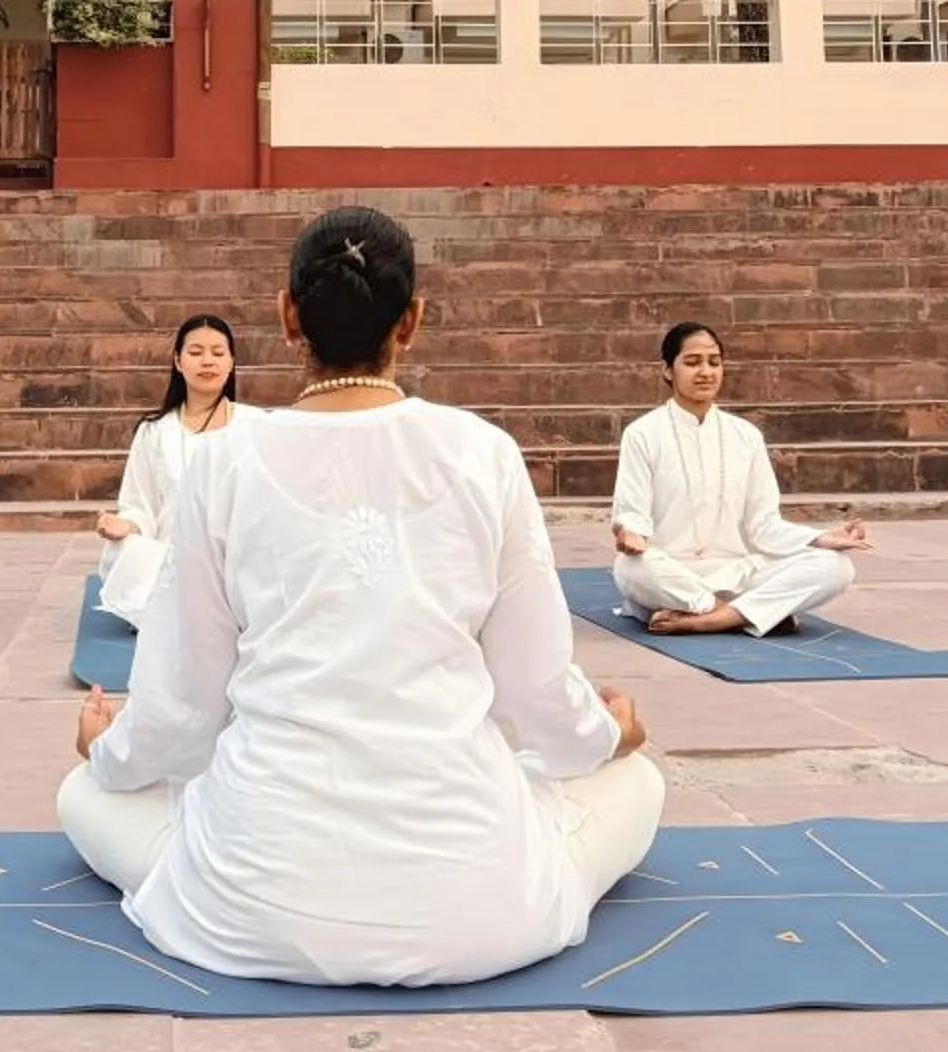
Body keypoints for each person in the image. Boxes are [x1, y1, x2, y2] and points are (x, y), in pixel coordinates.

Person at [57, 207, 664, 988]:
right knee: (635, 783)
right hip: (478, 913)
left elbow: (182, 710)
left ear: (286, 316)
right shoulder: (485, 452)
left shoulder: (224, 462)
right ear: (412, 320)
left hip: (256, 907)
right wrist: (608, 736)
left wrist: (104, 749)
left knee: (87, 793)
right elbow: (536, 693)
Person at [610, 320, 872, 637]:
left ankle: (712, 618)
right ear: (668, 370)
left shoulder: (745, 435)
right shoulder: (642, 434)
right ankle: (747, 612)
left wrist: (819, 539)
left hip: (740, 572)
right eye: (692, 363)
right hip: (672, 573)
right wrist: (631, 533)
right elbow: (631, 512)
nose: (706, 372)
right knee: (629, 569)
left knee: (836, 567)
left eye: (714, 362)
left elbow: (764, 525)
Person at [92, 314, 253, 629]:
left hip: (235, 559)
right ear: (178, 362)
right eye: (196, 353)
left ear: (232, 362)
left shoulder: (255, 426)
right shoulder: (154, 431)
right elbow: (141, 505)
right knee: (131, 550)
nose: (208, 361)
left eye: (218, 353)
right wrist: (125, 525)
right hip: (169, 558)